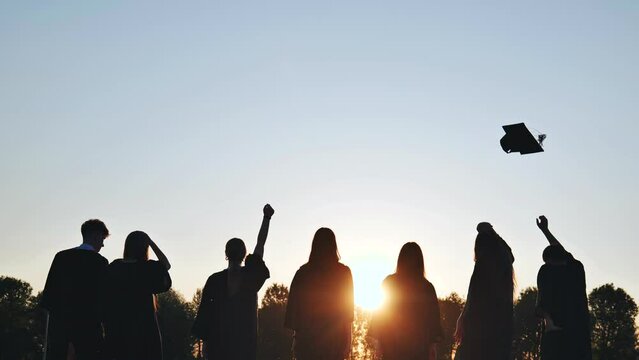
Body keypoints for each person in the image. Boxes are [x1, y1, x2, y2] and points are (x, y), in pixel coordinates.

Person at [192, 204, 274, 360]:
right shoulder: (251, 277)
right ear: (244, 254)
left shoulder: (214, 281)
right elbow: (260, 244)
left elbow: (204, 315)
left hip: (218, 348)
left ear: (226, 253)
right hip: (244, 348)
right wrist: (266, 218)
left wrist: (205, 348)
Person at [40, 219, 110, 360]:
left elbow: (48, 297)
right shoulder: (100, 263)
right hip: (88, 331)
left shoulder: (61, 257)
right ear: (95, 235)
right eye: (102, 239)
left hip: (60, 330)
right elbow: (103, 300)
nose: (102, 244)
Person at [285, 227, 354, 360]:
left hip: (307, 342)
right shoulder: (344, 273)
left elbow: (294, 312)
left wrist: (295, 341)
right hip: (335, 343)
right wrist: (348, 343)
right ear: (334, 246)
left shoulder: (303, 273)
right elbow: (347, 312)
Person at [102, 231, 172, 360]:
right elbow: (166, 265)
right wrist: (151, 242)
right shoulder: (148, 268)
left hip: (118, 326)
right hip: (145, 327)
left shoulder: (115, 267)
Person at [370, 242, 443, 360]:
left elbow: (381, 315)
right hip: (419, 347)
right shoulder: (427, 287)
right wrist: (432, 346)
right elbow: (433, 319)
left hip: (392, 346)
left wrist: (379, 344)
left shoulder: (389, 282)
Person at [454, 222, 515, 360]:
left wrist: (462, 318)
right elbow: (510, 254)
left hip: (478, 330)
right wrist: (493, 233)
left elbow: (473, 295)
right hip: (501, 331)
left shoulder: (482, 264)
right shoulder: (504, 267)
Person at [535, 215, 592, 360]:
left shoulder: (546, 273)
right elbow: (560, 250)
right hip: (579, 336)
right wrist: (545, 231)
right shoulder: (576, 268)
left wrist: (549, 321)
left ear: (549, 261)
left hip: (556, 336)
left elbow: (540, 306)